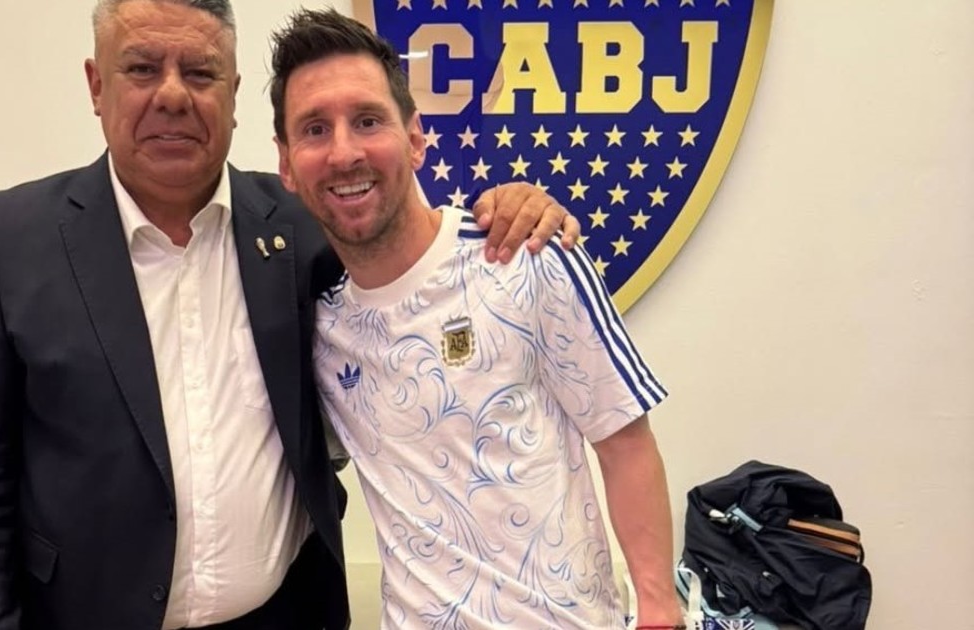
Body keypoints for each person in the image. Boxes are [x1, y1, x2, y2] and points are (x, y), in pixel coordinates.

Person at [0, 1, 581, 629]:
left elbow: (408, 246)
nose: (173, 95)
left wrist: (512, 206)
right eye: (143, 68)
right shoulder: (8, 243)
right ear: (98, 85)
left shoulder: (308, 227)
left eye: (200, 72)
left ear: (233, 95)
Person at [270, 8, 684, 630]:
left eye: (368, 121)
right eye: (314, 129)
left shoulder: (528, 257)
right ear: (286, 164)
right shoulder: (321, 328)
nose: (344, 151)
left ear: (415, 138)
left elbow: (624, 443)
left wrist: (659, 612)